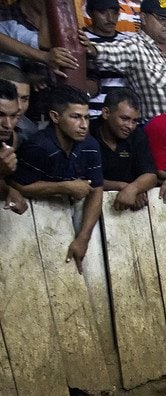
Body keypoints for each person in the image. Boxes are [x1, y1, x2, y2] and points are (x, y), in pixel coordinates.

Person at [9, 85, 103, 273]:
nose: (84, 125)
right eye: (75, 117)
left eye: (86, 117)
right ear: (55, 117)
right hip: (29, 225)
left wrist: (83, 237)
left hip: (69, 225)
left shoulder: (90, 145)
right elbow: (18, 185)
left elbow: (97, 190)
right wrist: (65, 187)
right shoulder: (38, 147)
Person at [82, 0, 166, 122]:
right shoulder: (134, 46)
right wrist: (91, 48)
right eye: (162, 19)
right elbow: (109, 52)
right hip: (156, 130)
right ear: (143, 18)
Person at [90, 88, 160, 210]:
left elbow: (151, 176)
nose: (130, 126)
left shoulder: (137, 135)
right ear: (106, 113)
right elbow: (85, 180)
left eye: (134, 121)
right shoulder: (88, 134)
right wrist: (123, 187)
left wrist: (134, 188)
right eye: (124, 118)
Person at [84, 0, 131, 119]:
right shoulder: (82, 40)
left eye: (115, 12)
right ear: (89, 12)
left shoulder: (127, 42)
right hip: (92, 115)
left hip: (123, 115)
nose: (110, 18)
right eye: (102, 12)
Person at [0, 78, 26, 212]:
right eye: (0, 115)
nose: (8, 125)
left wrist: (8, 190)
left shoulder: (10, 139)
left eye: (14, 116)